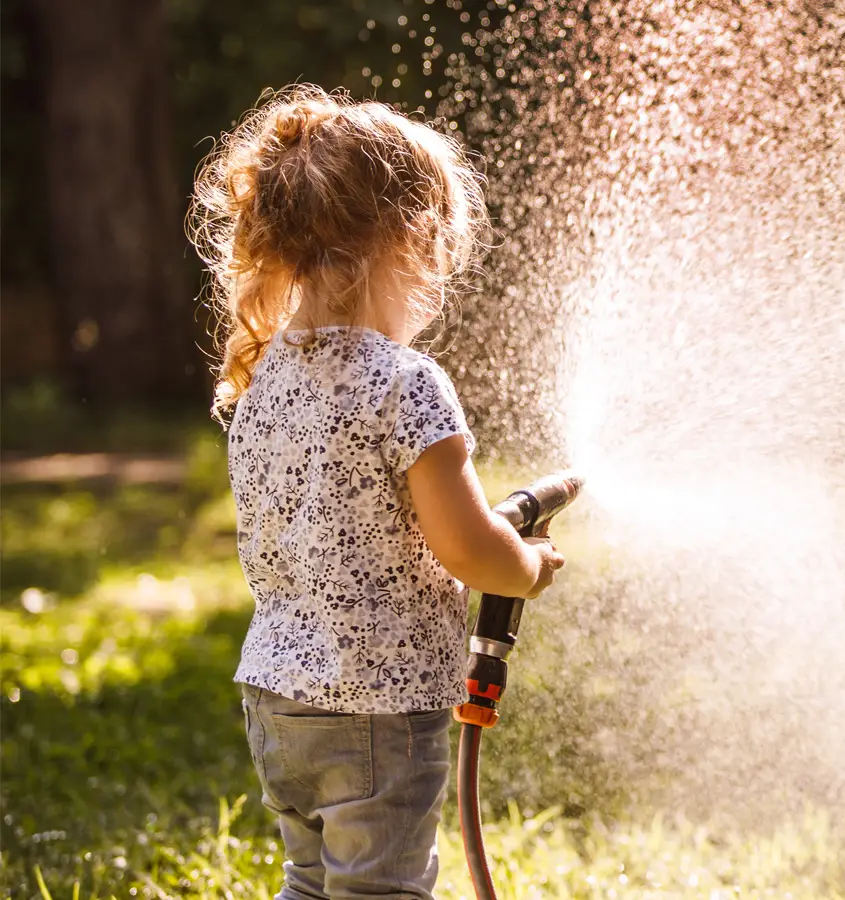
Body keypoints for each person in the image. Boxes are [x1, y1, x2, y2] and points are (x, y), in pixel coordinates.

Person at [189, 85, 564, 900]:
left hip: (278, 697)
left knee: (313, 880)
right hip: (376, 705)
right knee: (378, 891)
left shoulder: (260, 378)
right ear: (409, 238)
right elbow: (466, 547)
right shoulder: (405, 384)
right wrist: (526, 568)